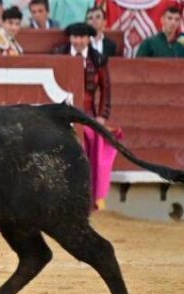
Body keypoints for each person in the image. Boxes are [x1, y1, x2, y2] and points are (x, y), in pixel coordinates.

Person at [53, 23, 116, 210]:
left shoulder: (98, 59)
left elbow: (106, 89)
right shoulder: (59, 54)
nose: (78, 41)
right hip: (63, 112)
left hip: (88, 113)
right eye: (75, 37)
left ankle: (88, 197)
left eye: (82, 37)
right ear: (70, 38)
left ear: (89, 39)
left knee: (89, 148)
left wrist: (102, 116)